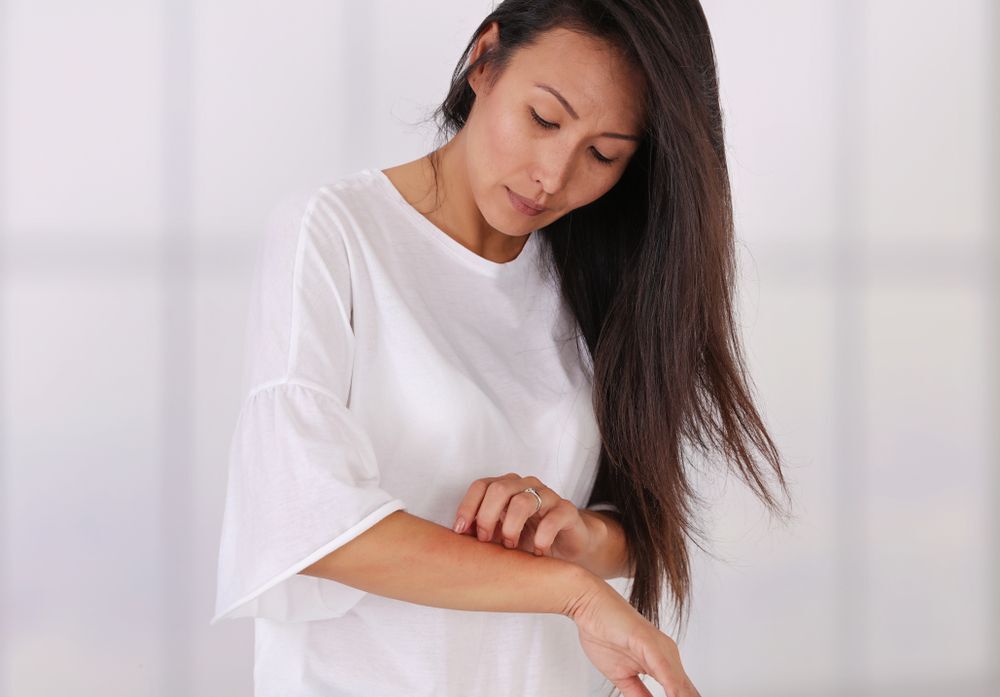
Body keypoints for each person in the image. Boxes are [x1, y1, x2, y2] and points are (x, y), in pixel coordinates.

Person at [212, 1, 791, 695]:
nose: (554, 174)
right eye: (544, 119)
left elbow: (638, 524)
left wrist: (576, 532)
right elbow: (308, 523)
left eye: (603, 154)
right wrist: (570, 591)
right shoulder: (334, 237)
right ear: (485, 61)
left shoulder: (595, 273)